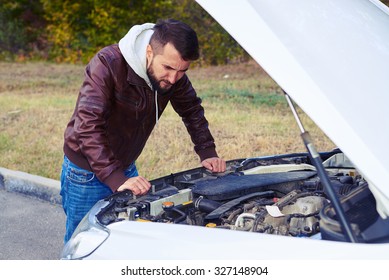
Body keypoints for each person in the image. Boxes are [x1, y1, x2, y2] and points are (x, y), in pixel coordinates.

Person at [60, 19, 226, 243]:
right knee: (84, 242)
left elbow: (191, 110)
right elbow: (88, 124)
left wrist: (207, 151)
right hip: (86, 172)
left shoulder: (173, 75)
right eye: (167, 68)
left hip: (125, 168)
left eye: (182, 71)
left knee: (122, 239)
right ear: (149, 51)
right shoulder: (108, 63)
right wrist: (115, 177)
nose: (173, 78)